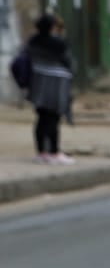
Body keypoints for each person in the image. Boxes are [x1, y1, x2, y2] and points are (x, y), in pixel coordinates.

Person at [26, 15, 73, 165]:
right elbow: (68, 62)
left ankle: (41, 152)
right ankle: (54, 152)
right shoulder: (58, 43)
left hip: (38, 83)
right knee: (53, 118)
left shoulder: (33, 41)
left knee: (41, 118)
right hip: (56, 84)